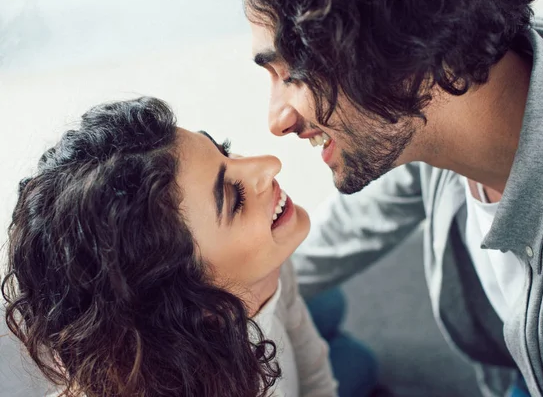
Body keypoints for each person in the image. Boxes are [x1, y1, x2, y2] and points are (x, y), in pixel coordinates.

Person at [243, 0, 543, 396]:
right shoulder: (460, 93)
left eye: (295, 72)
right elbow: (355, 224)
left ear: (402, 49)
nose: (276, 121)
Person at [1, 97, 338, 397]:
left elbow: (313, 369)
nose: (269, 163)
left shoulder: (269, 261)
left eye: (223, 149)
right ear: (190, 304)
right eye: (234, 199)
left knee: (336, 313)